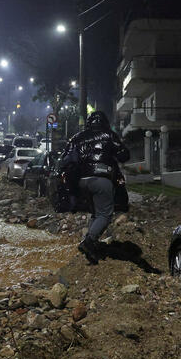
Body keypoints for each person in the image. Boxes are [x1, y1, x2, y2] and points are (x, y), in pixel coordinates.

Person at [58, 111, 130, 264]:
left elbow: (65, 160)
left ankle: (91, 246)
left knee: (96, 213)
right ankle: (89, 241)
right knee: (105, 214)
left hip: (82, 181)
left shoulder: (77, 137)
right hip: (101, 179)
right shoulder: (109, 135)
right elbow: (124, 154)